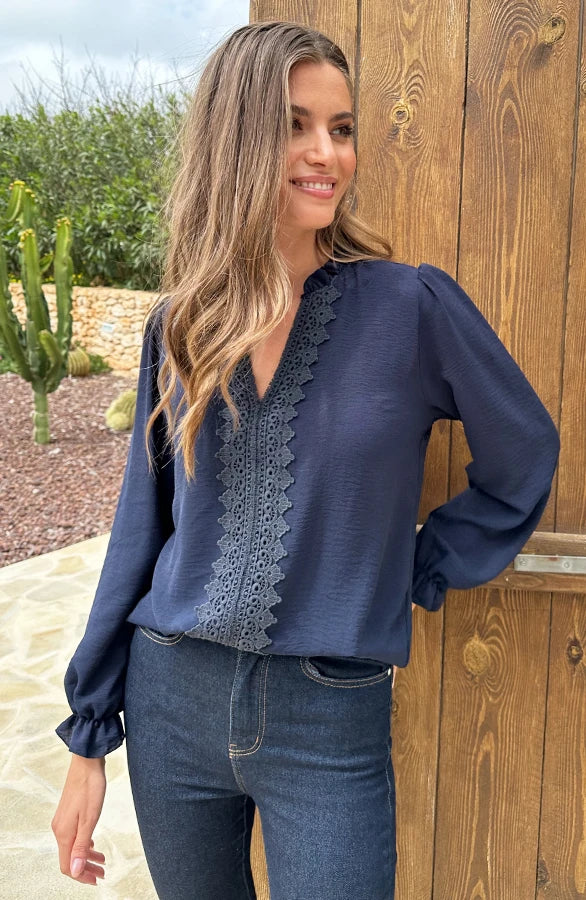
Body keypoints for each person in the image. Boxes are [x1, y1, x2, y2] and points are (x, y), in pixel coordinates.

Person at [50, 20, 560, 900]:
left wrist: (419, 565)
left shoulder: (410, 308)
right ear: (237, 141)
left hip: (329, 714)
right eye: (295, 126)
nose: (328, 153)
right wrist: (88, 739)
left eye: (342, 127)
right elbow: (142, 526)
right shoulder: (182, 322)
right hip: (170, 695)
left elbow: (524, 450)